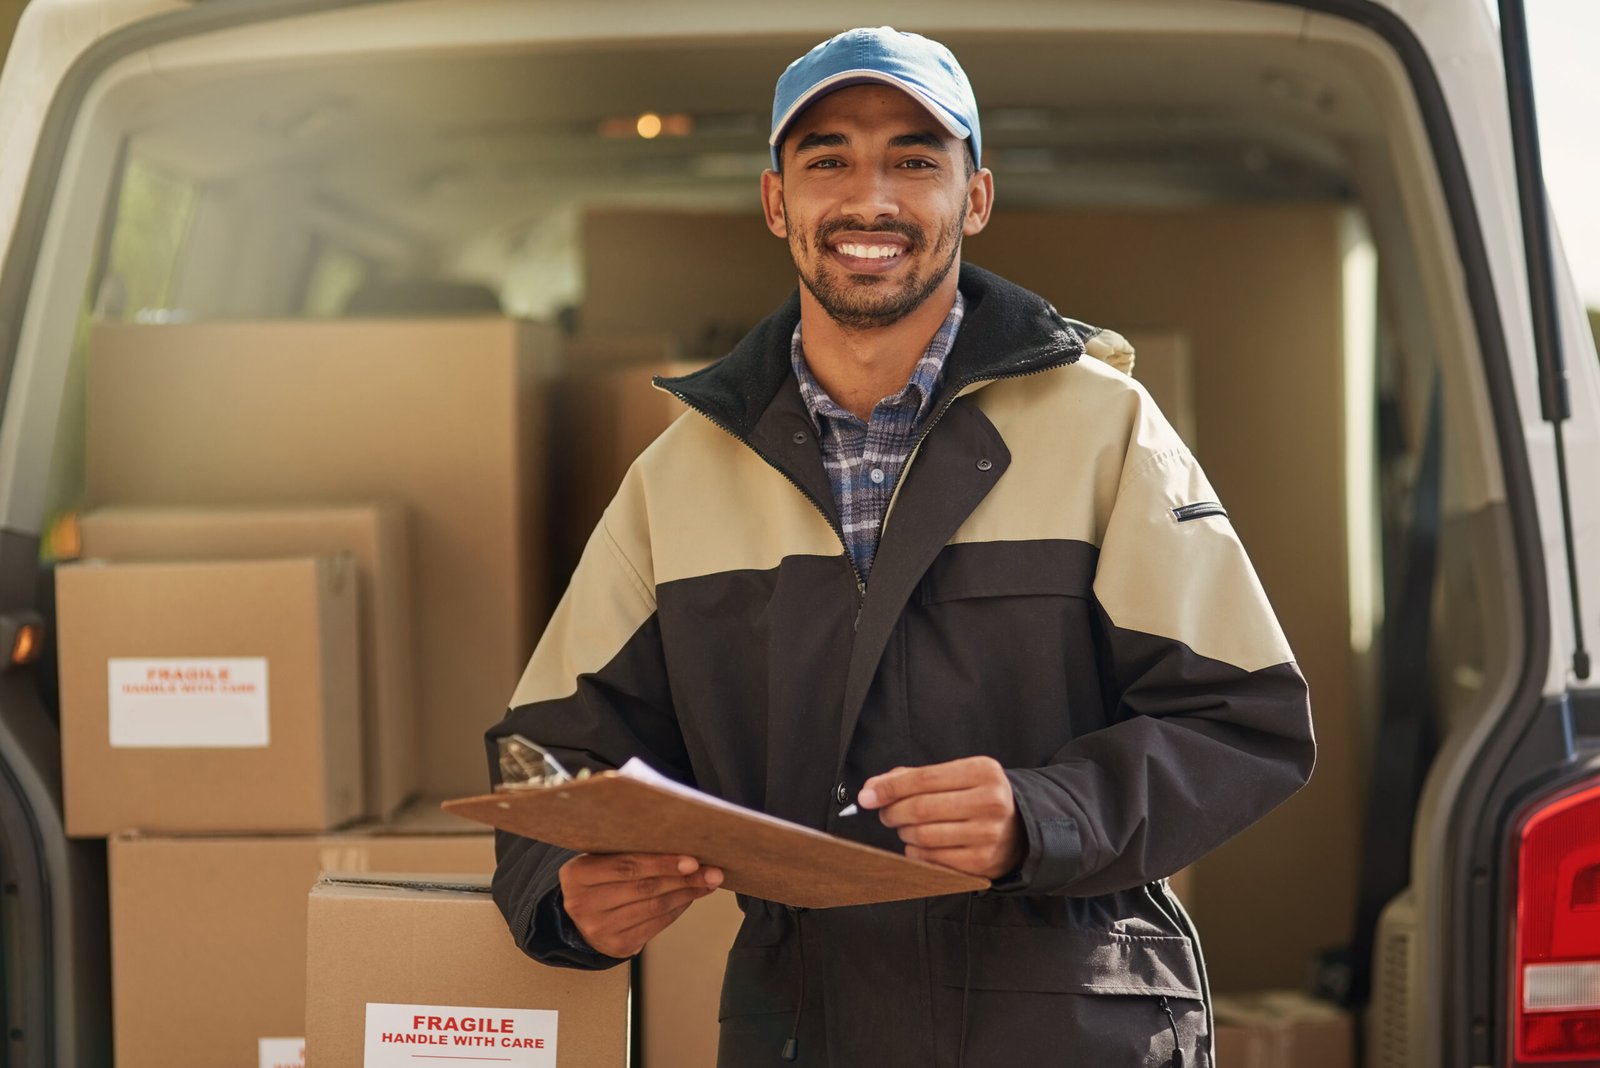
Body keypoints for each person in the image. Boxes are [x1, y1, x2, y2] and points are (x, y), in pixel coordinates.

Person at [488, 26, 1314, 1066]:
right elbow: (544, 757)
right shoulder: (680, 477)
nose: (869, 200)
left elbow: (1243, 723)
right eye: (827, 158)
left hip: (1064, 1031)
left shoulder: (1106, 430)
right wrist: (562, 895)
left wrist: (1041, 812)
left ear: (973, 197)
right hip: (803, 1031)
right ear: (776, 200)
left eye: (914, 160)